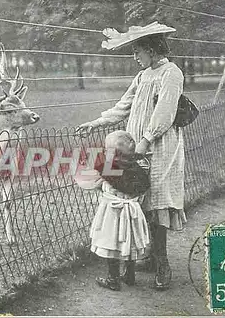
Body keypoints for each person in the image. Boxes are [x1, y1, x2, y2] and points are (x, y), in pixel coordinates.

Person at [76, 22, 186, 290]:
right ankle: (146, 256)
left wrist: (146, 140)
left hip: (158, 146)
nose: (135, 57)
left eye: (138, 51)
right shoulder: (143, 76)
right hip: (135, 145)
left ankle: (162, 263)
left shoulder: (171, 73)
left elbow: (165, 112)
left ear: (151, 49)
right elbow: (124, 105)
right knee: (136, 200)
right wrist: (97, 122)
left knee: (157, 200)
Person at [74, 130, 151, 291]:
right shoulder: (138, 170)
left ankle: (113, 279)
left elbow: (87, 182)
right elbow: (143, 187)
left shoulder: (107, 169)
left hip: (113, 215)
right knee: (129, 244)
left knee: (112, 246)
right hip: (132, 214)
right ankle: (129, 275)